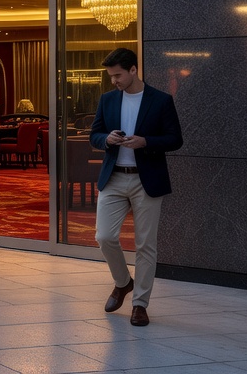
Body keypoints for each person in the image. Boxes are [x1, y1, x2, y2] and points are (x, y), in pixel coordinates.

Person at [90, 47, 184, 327]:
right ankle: (123, 282)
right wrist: (107, 139)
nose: (114, 81)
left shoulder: (161, 100)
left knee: (145, 245)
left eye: (117, 75)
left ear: (133, 70)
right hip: (114, 177)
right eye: (110, 76)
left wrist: (146, 142)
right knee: (104, 237)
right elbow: (94, 134)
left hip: (147, 179)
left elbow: (175, 139)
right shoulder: (107, 100)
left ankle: (140, 304)